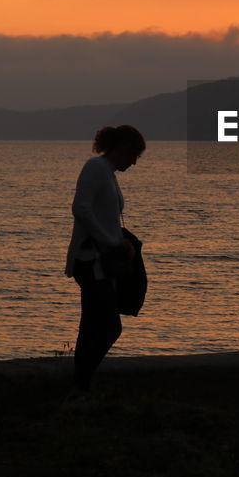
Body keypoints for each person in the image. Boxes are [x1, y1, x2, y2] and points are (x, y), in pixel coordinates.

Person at [65, 124, 145, 398]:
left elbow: (102, 215)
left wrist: (121, 242)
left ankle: (81, 387)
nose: (134, 162)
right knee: (110, 327)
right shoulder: (96, 168)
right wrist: (112, 242)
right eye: (134, 154)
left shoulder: (107, 173)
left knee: (91, 326)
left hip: (100, 261)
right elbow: (81, 208)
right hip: (90, 261)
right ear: (121, 148)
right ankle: (81, 385)